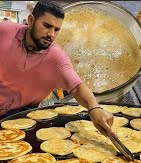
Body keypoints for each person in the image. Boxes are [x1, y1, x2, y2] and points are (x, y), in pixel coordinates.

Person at [0, 1, 114, 136]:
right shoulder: (4, 32)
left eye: (56, 29)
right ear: (31, 20)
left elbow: (77, 87)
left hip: (20, 118)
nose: (51, 35)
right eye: (46, 26)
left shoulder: (57, 59)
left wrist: (94, 108)